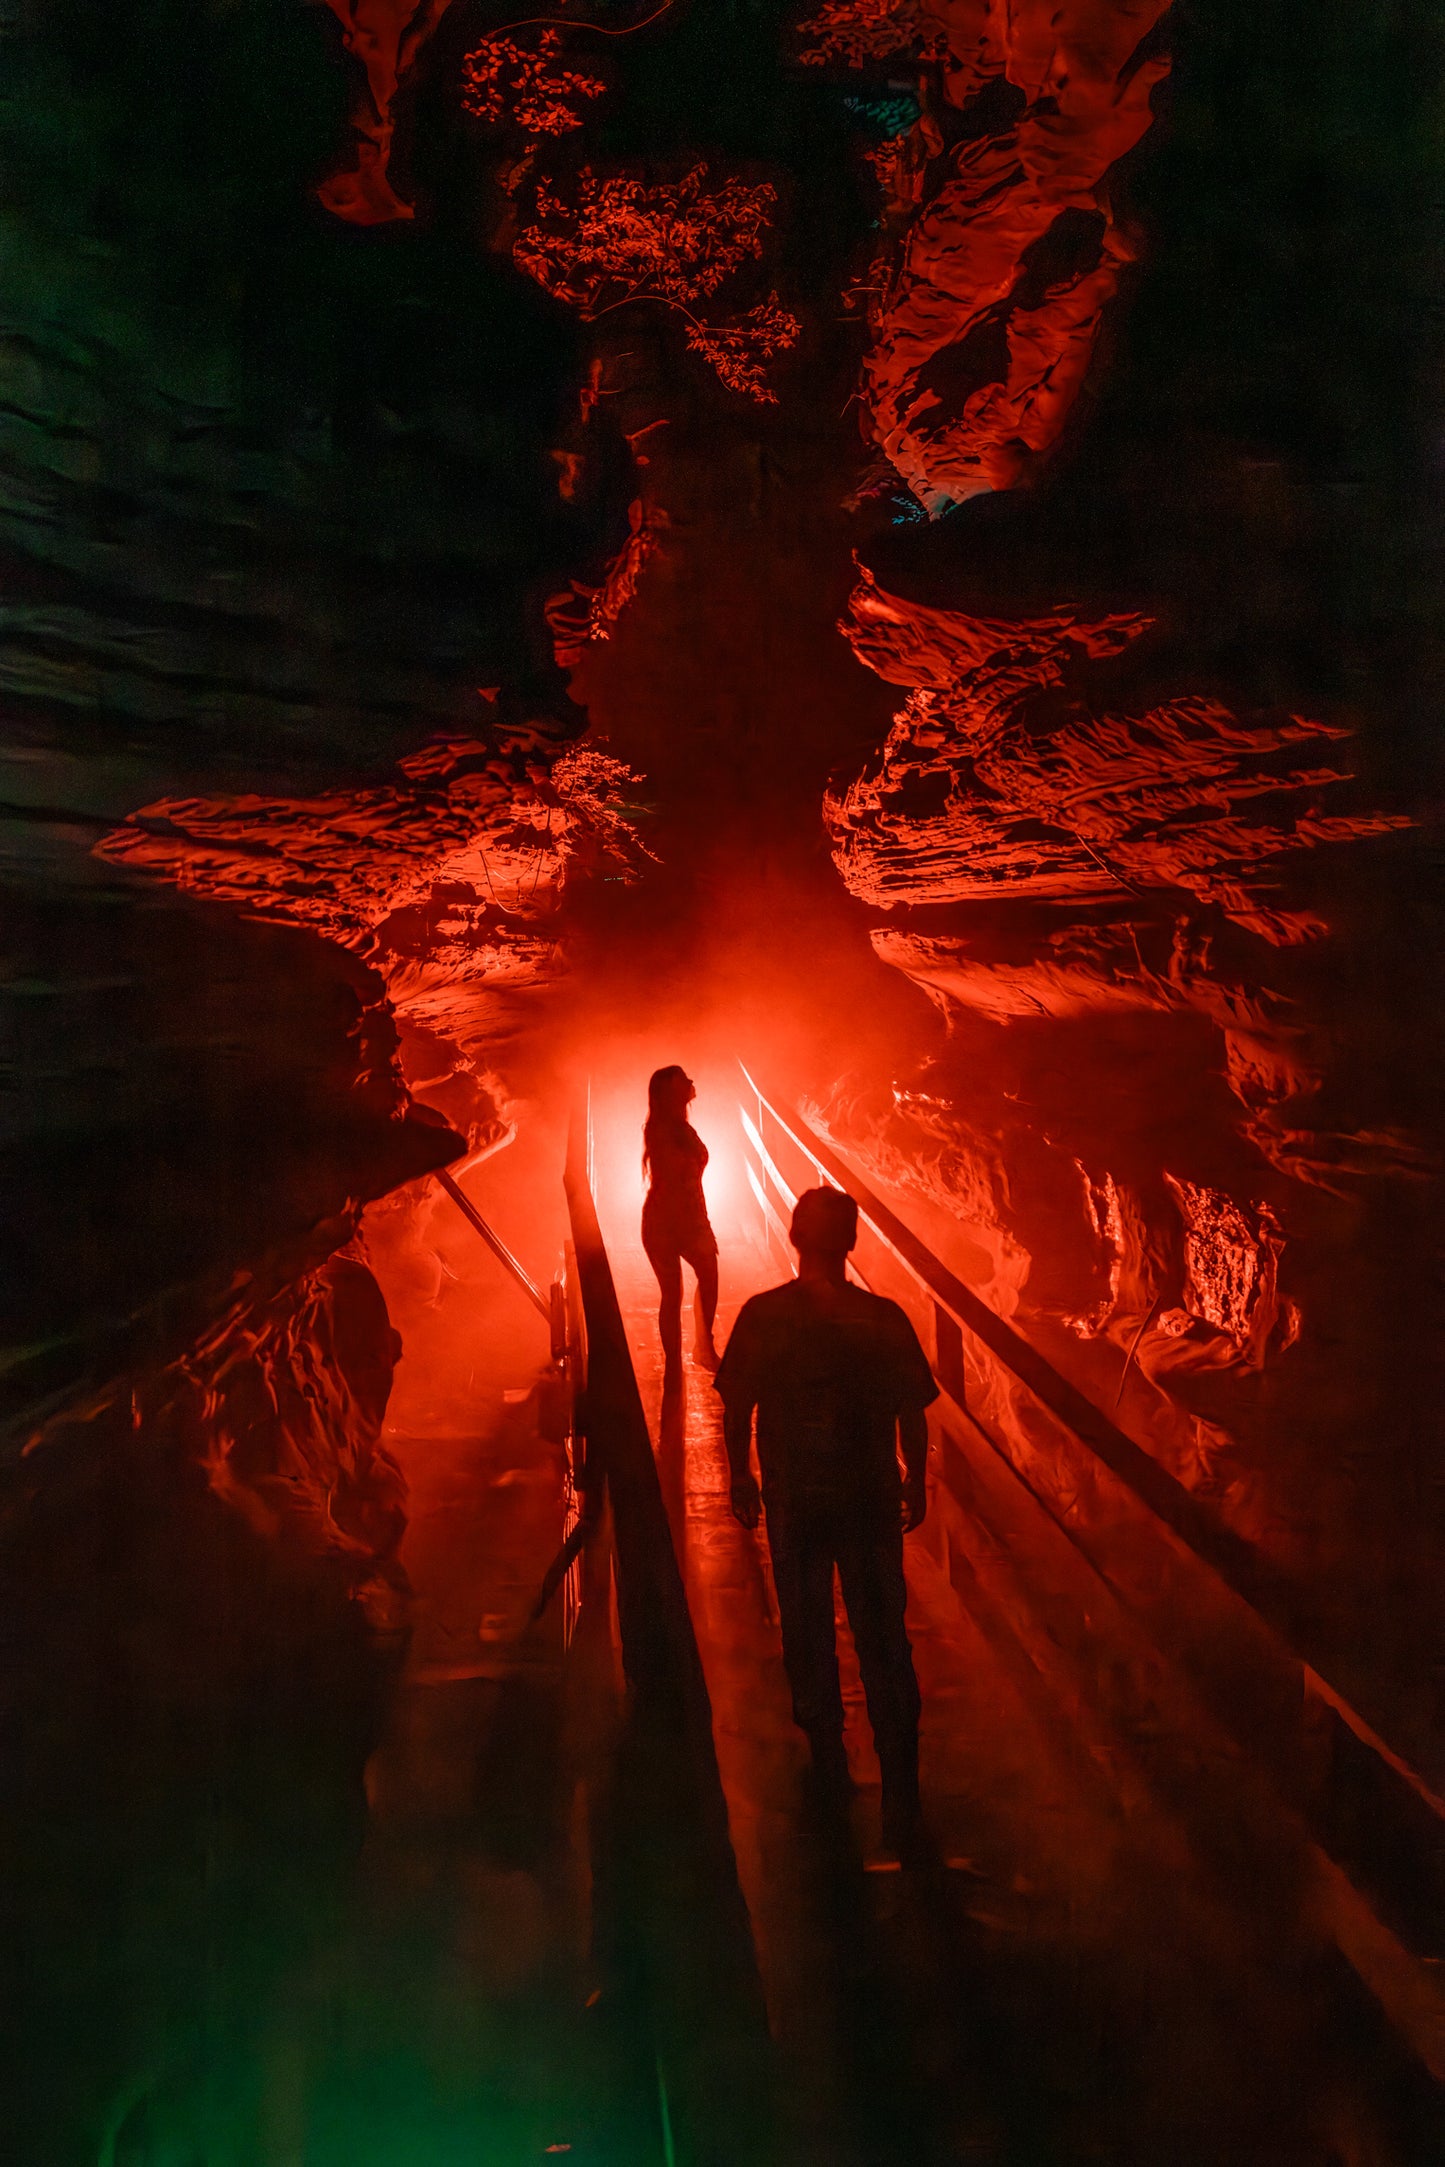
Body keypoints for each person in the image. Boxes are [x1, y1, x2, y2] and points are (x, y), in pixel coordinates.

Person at [715, 1185, 937, 1850]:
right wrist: (915, 1480)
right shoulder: (883, 1316)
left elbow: (737, 1405)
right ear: (850, 1242)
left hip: (797, 1496)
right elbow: (912, 1410)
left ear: (793, 1237)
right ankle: (900, 1776)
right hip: (868, 1496)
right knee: (882, 1634)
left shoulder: (762, 1314)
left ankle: (826, 1751)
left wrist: (740, 1474)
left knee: (805, 1621)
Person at [641, 1064, 720, 1381]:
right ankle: (676, 1362)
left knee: (707, 1276)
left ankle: (701, 1348)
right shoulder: (663, 1129)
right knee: (672, 1293)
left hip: (683, 1218)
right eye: (682, 1081)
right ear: (670, 1094)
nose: (690, 1082)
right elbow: (676, 1175)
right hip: (668, 1220)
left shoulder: (678, 1127)